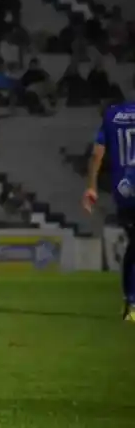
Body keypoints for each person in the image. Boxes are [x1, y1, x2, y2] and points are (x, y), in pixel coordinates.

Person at [83, 100, 135, 322]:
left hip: (123, 190)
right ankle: (131, 302)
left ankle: (131, 303)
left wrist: (92, 187)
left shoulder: (111, 116)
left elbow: (97, 155)